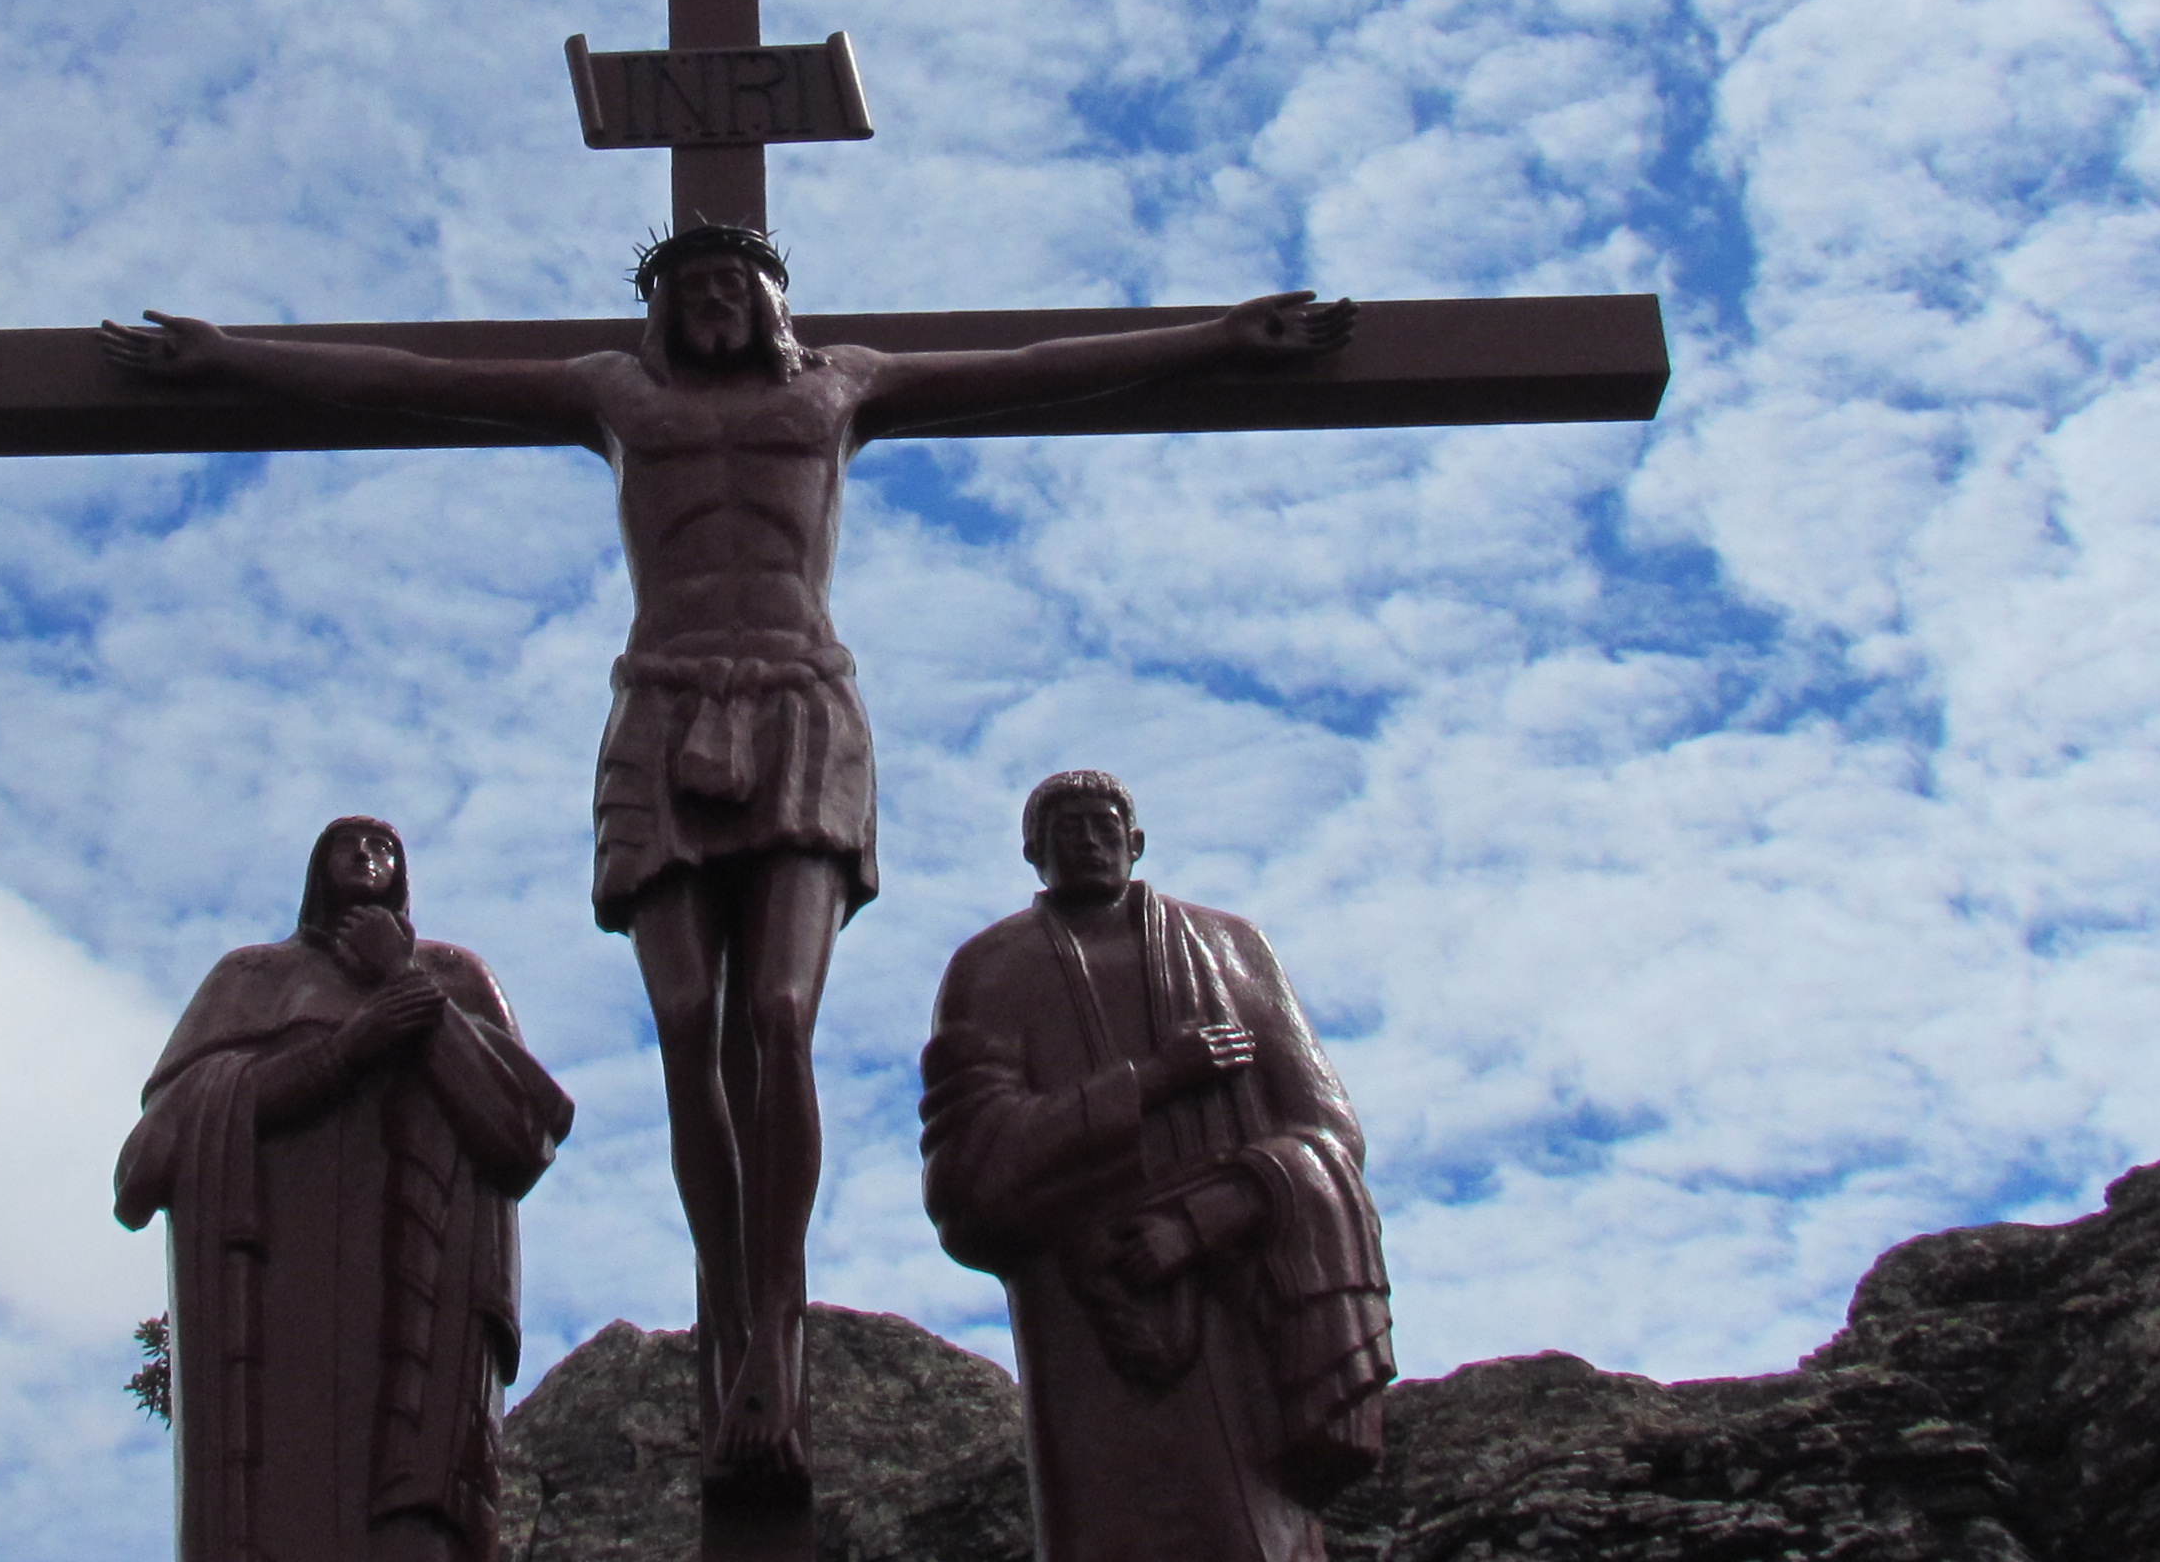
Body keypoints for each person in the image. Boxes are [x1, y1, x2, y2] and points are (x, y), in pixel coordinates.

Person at [105, 229, 1351, 1481]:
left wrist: (1213, 335)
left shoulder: (842, 385)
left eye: (731, 283)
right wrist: (231, 357)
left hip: (801, 704)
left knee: (778, 1013)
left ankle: (776, 1325)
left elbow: (1031, 364)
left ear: (772, 298)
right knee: (691, 1016)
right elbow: (414, 375)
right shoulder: (615, 394)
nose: (710, 301)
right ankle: (728, 1305)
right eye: (685, 286)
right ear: (657, 309)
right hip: (662, 706)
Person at [918, 771, 1393, 1562]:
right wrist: (1148, 1084)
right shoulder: (990, 972)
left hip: (1239, 1303)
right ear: (1032, 852)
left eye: (1104, 824)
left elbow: (1328, 1130)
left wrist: (1203, 1219)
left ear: (1136, 843)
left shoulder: (1233, 952)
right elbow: (969, 1184)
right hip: (1086, 1319)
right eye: (1064, 827)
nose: (1088, 839)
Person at [115, 816, 575, 1562]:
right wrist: (339, 1056)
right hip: (283, 1305)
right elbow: (145, 1165)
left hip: (428, 1311)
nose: (368, 856)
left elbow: (521, 1136)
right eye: (348, 845)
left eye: (384, 846)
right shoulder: (252, 980)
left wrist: (409, 992)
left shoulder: (455, 976)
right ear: (315, 870)